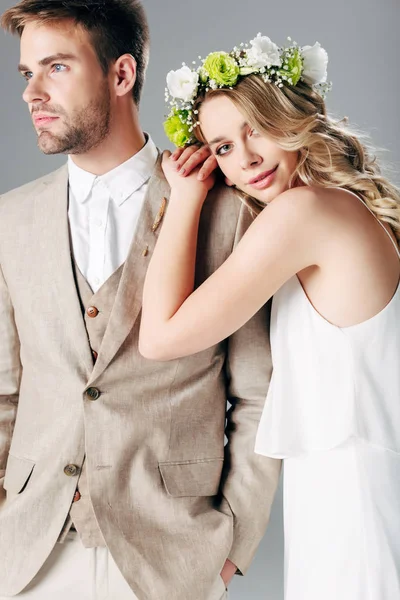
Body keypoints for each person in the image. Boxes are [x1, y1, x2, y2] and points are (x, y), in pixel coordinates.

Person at [0, 4, 280, 600]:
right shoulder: (10, 220)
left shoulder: (225, 213)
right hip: (28, 555)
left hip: (172, 555)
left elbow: (259, 396)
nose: (32, 93)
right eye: (26, 72)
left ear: (121, 75)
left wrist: (230, 551)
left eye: (56, 67)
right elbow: (5, 389)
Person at [139, 34, 400, 600]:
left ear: (292, 119)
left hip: (352, 493)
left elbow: (158, 339)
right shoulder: (334, 209)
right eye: (223, 147)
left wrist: (185, 199)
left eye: (255, 128)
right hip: (342, 484)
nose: (247, 158)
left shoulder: (302, 214)